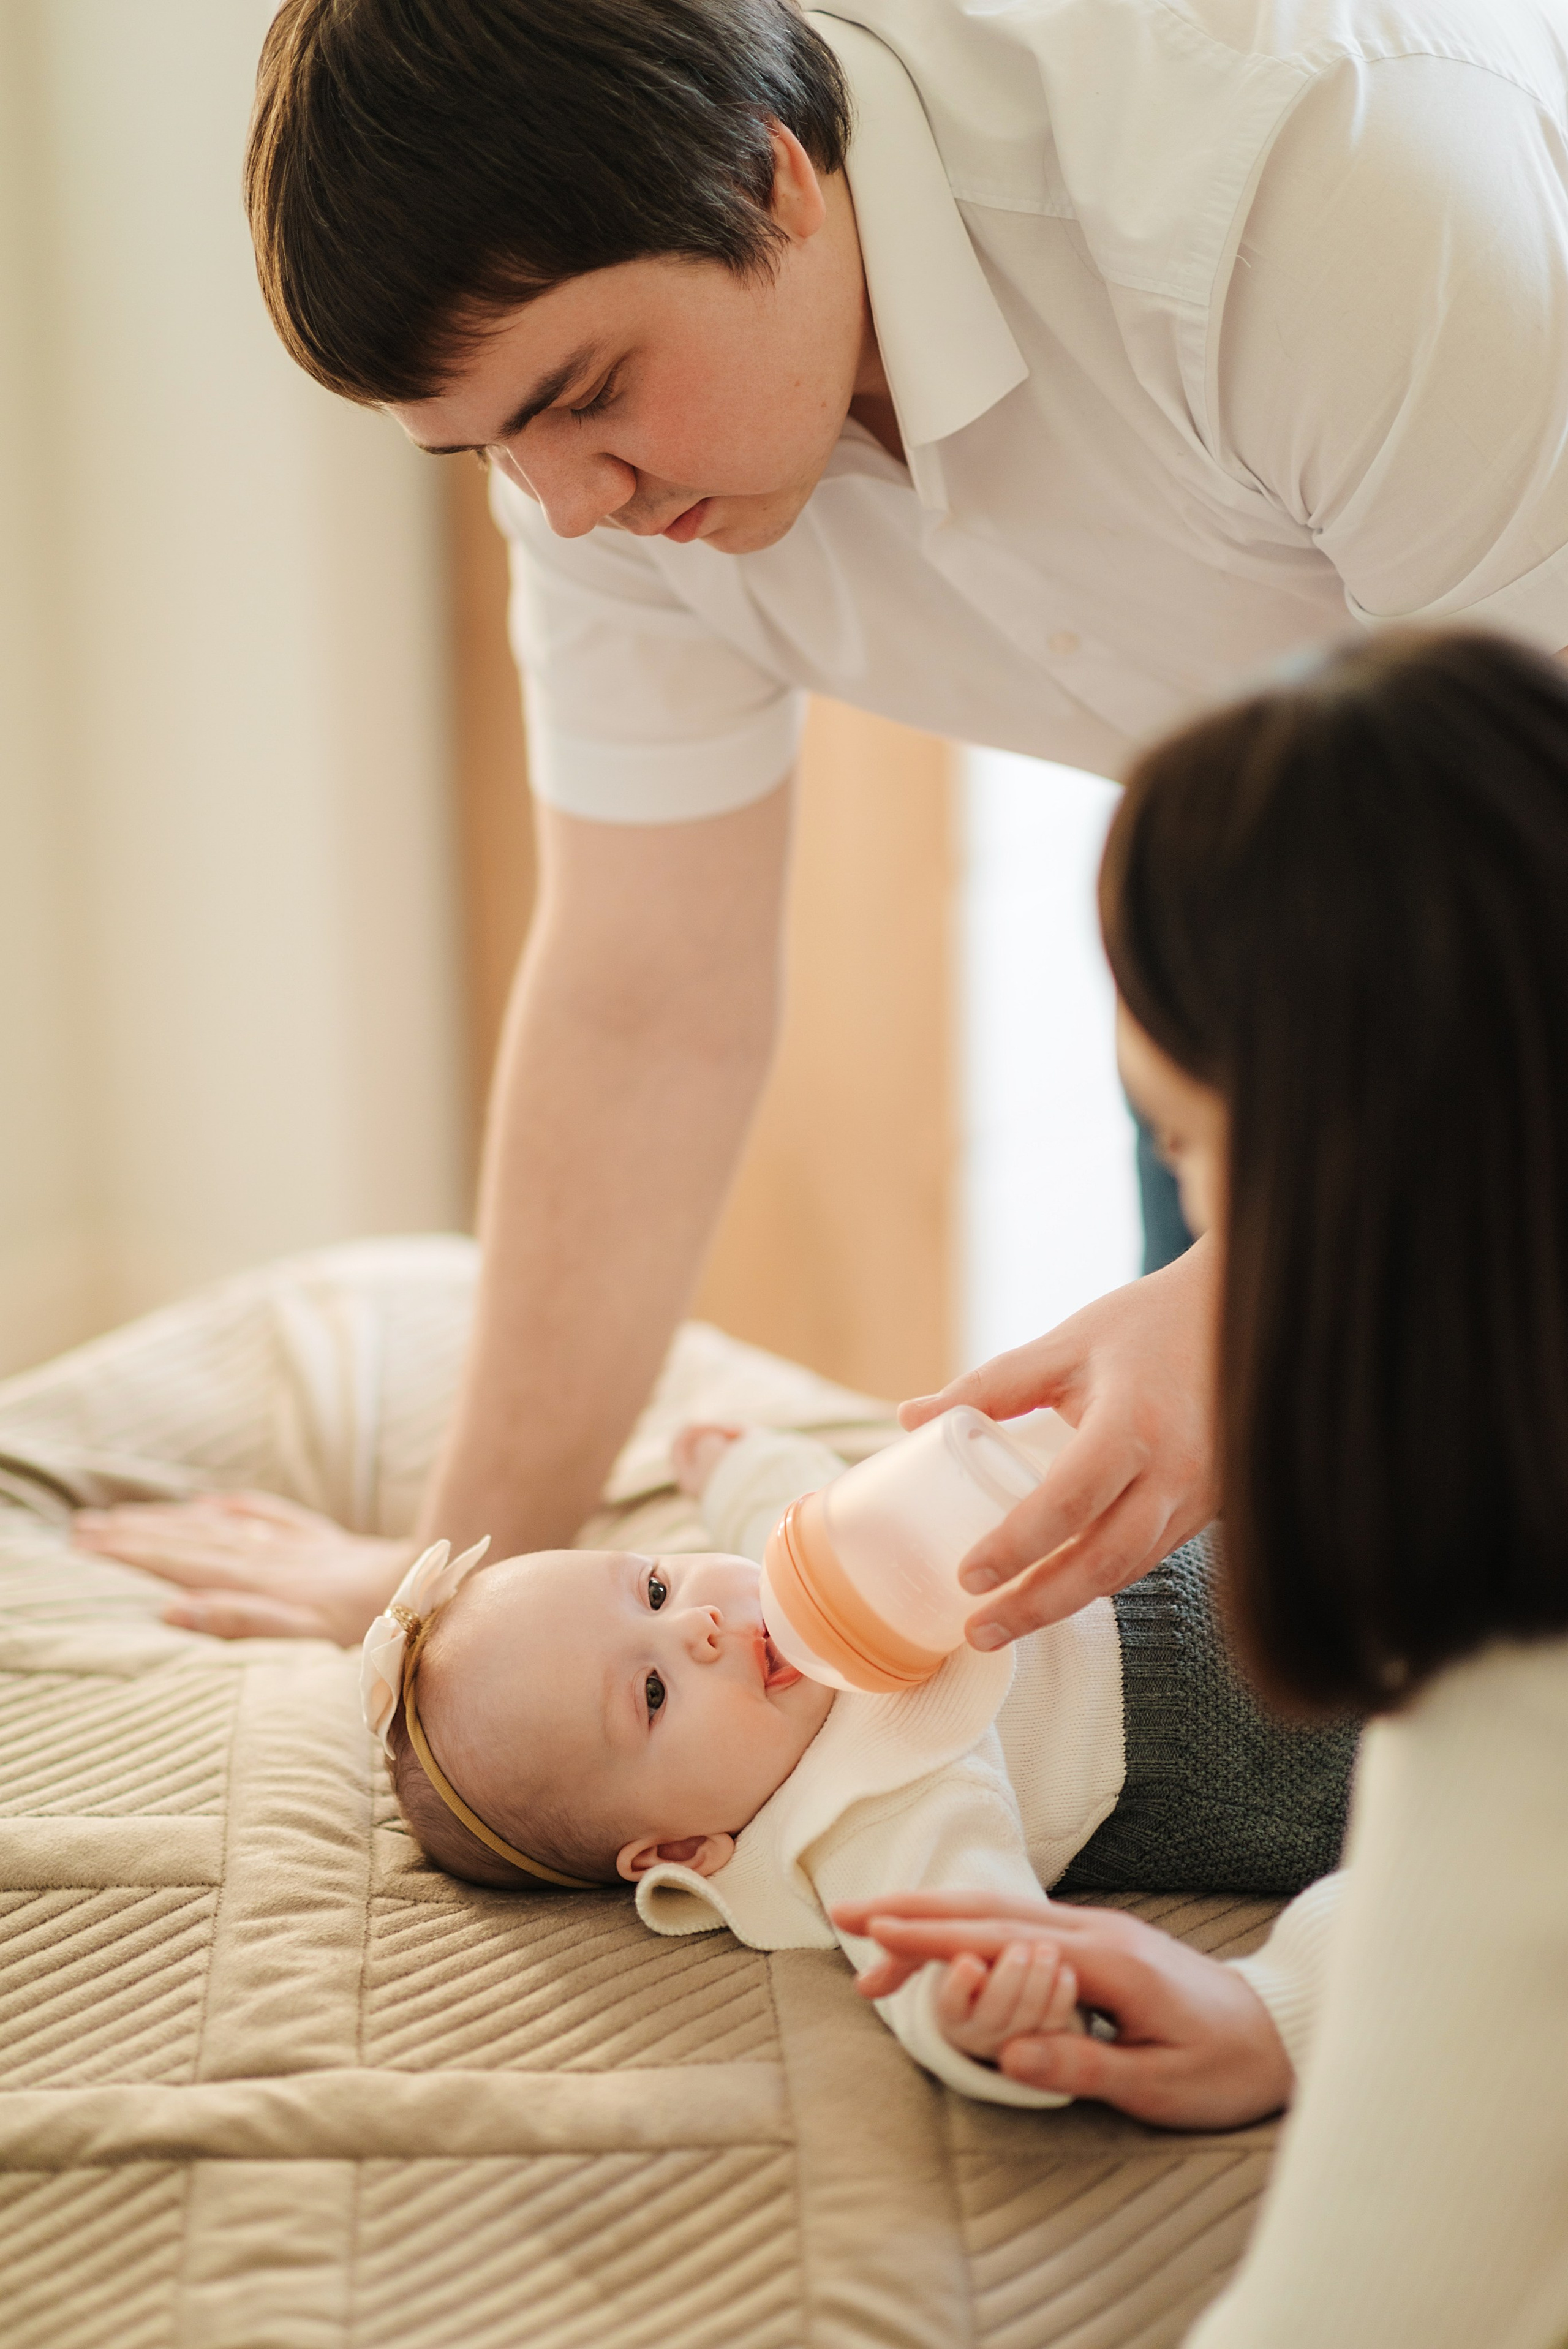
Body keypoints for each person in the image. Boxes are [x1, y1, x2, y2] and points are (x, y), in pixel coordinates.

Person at [87, 0, 1568, 1652]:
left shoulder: (1323, 184)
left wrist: (1254, 1299)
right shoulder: (588, 480)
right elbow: (644, 998)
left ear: (775, 176)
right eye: (495, 444)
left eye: (587, 394)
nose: (574, 502)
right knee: (1280, 1623)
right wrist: (456, 1581)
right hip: (1287, 925)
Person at [839, 630, 1568, 2346]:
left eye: (1189, 1143)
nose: (1197, 1249)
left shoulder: (1504, 1684)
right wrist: (1298, 2008)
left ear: (1356, 1165)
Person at [352, 1431, 1351, 2105]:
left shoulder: (792, 1595)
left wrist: (733, 1458)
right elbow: (941, 1921)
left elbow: (783, 1508)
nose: (698, 1625)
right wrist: (979, 2014)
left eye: (654, 1585)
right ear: (686, 1847)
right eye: (651, 1694)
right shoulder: (862, 1810)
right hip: (1285, 1740)